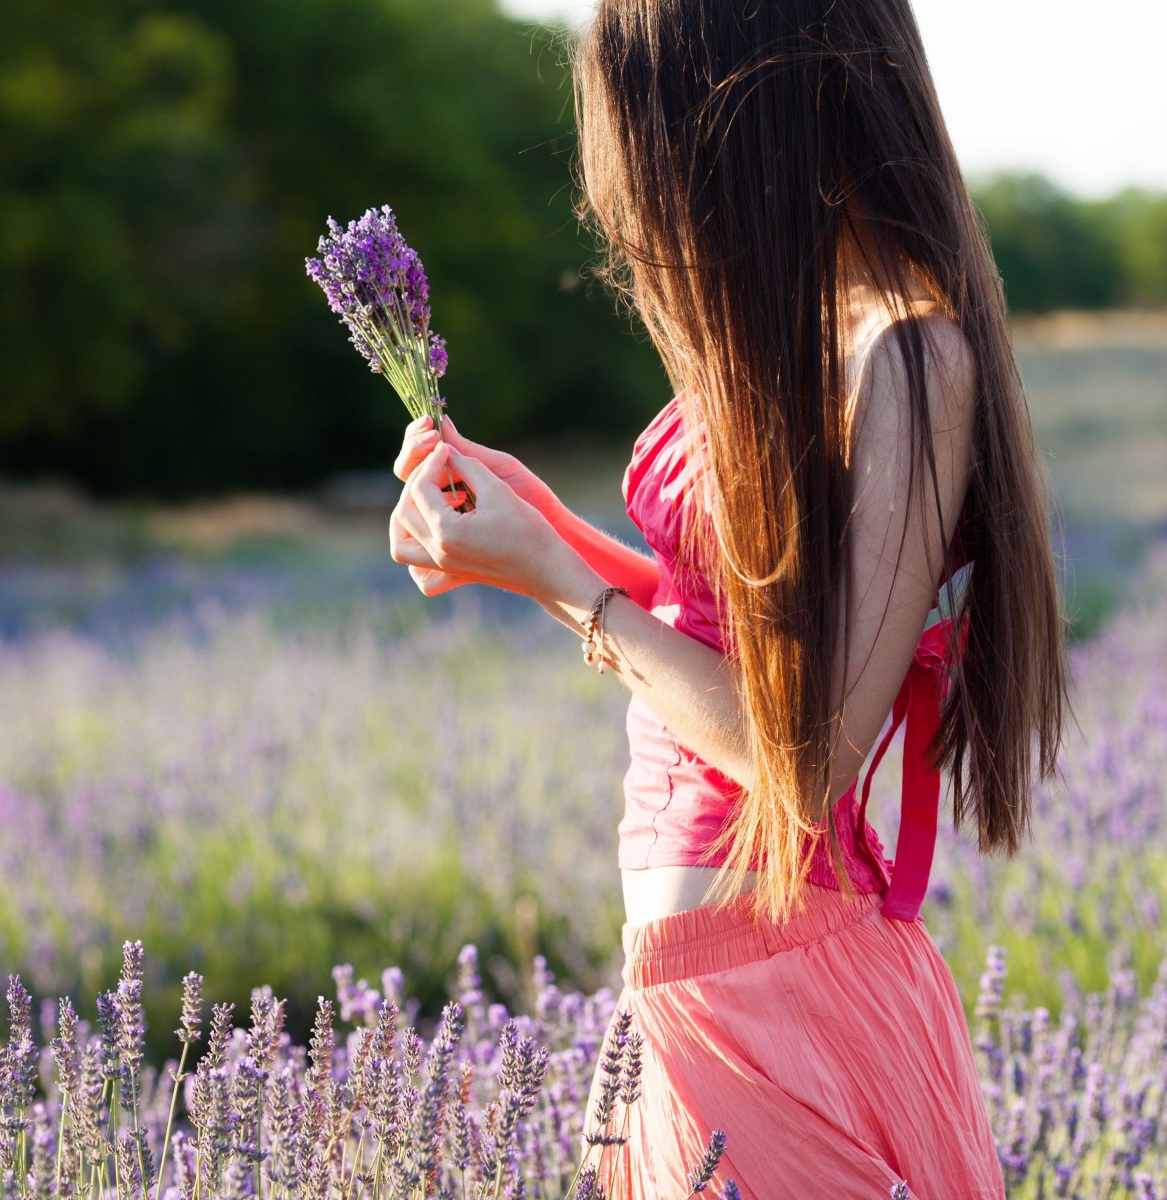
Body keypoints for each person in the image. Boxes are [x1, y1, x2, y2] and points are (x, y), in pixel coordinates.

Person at [386, 0, 1069, 1194]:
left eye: (652, 137)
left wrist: (556, 579)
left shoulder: (906, 358)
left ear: (749, 111)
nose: (635, 200)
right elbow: (711, 643)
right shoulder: (797, 346)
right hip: (684, 998)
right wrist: (532, 535)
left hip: (786, 1000)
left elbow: (801, 759)